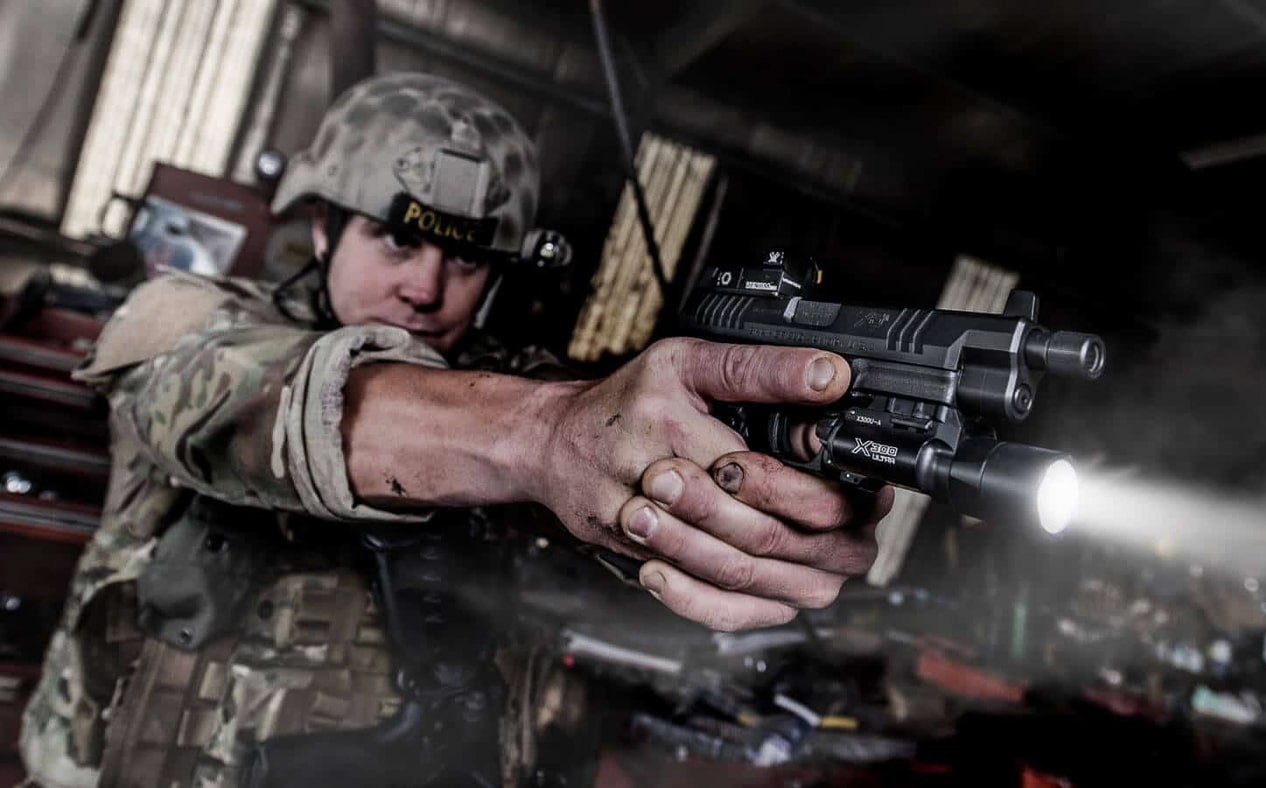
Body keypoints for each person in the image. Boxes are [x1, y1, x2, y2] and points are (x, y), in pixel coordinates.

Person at [18, 71, 889, 787]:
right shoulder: (182, 318)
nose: (427, 288)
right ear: (322, 229)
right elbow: (263, 403)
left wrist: (744, 471)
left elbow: (617, 471)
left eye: (467, 257)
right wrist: (546, 438)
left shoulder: (526, 382)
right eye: (394, 241)